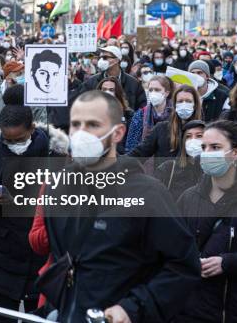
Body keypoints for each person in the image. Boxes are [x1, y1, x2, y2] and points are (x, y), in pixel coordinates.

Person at [37, 90, 200, 322]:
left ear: (118, 133)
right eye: (76, 124)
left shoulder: (148, 193)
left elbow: (183, 265)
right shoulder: (58, 186)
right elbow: (64, 258)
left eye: (93, 124)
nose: (82, 133)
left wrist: (132, 308)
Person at [0, 85, 68, 322]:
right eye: (8, 140)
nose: (14, 144)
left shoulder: (54, 158)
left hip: (42, 261)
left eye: (20, 139)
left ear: (32, 129)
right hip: (2, 262)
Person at [176, 120, 237, 323]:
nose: (207, 153)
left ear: (236, 153)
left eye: (216, 147)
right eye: (204, 147)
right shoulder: (189, 197)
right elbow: (172, 247)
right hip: (190, 310)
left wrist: (229, 263)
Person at [128, 84, 202, 162]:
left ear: (195, 105)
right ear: (175, 105)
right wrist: (118, 162)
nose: (184, 104)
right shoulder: (161, 128)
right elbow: (139, 153)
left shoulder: (205, 131)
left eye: (188, 101)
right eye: (180, 101)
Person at [82, 45, 147, 110]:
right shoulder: (92, 81)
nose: (101, 60)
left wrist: (130, 118)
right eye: (101, 58)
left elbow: (142, 108)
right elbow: (83, 103)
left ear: (116, 60)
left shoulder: (133, 83)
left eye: (105, 57)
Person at [155, 120, 205, 201]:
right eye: (188, 136)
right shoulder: (168, 168)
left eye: (199, 136)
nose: (193, 140)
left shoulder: (212, 171)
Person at [125, 75, 174, 152]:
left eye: (157, 90)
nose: (153, 93)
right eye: (150, 90)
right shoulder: (141, 114)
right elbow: (131, 144)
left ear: (166, 93)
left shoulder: (175, 114)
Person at [97, 77, 134, 154]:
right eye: (104, 89)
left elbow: (131, 140)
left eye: (111, 90)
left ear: (117, 93)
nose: (107, 92)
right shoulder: (91, 114)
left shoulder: (128, 114)